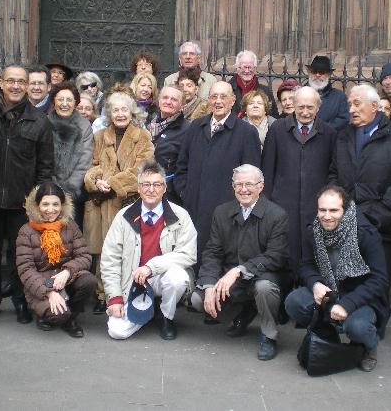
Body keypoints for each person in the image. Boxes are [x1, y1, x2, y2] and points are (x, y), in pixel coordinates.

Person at [284, 185, 390, 372]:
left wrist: (347, 304)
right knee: (293, 302)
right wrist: (315, 284)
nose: (326, 216)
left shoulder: (365, 233)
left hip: (360, 297)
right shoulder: (313, 229)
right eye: (322, 210)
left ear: (345, 209)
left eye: (334, 210)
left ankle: (369, 347)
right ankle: (327, 332)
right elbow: (306, 265)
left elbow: (380, 280)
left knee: (357, 328)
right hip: (328, 291)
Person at [191, 165, 290, 360]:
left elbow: (276, 256)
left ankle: (269, 335)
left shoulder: (277, 215)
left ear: (261, 186)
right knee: (198, 299)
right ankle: (244, 312)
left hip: (263, 276)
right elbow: (212, 252)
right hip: (233, 281)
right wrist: (209, 284)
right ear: (232, 186)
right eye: (239, 184)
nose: (243, 189)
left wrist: (240, 270)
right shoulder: (221, 212)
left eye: (249, 184)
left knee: (264, 289)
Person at [0, 64, 54, 324]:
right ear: (0, 82)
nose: (15, 86)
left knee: (19, 255)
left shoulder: (39, 120)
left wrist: (37, 201)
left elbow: (45, 167)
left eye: (20, 82)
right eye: (10, 81)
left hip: (21, 202)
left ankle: (21, 301)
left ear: (26, 86)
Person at [328, 84, 391, 284]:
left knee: (377, 284)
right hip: (347, 221)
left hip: (381, 224)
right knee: (348, 283)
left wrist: (384, 209)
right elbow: (333, 172)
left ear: (374, 106)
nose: (351, 109)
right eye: (350, 104)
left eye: (357, 104)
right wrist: (339, 207)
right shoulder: (343, 135)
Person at [101, 160, 197, 340]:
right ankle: (148, 310)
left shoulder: (180, 215)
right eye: (146, 184)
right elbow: (110, 260)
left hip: (162, 277)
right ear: (138, 188)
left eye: (157, 184)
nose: (151, 189)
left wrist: (151, 267)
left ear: (164, 188)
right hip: (133, 281)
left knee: (178, 277)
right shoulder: (124, 216)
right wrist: (114, 298)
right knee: (117, 331)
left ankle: (166, 317)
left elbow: (187, 254)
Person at [82, 92, 154, 314]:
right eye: (115, 110)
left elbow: (143, 169)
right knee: (104, 250)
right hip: (101, 203)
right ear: (109, 113)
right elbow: (91, 165)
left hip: (127, 203)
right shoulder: (100, 136)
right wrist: (96, 181)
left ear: (132, 112)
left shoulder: (142, 137)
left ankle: (128, 292)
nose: (120, 114)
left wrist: (112, 182)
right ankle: (104, 294)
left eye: (124, 109)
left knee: (128, 251)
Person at [174, 81, 261, 259]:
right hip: (194, 208)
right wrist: (186, 192)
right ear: (209, 100)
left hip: (228, 213)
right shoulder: (195, 127)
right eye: (214, 96)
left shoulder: (246, 132)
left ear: (233, 100)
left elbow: (252, 175)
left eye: (223, 97)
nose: (218, 101)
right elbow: (181, 166)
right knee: (193, 258)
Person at [262, 86, 336, 275]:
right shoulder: (278, 129)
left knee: (313, 257)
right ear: (293, 105)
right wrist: (267, 203)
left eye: (310, 107)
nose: (305, 112)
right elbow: (268, 169)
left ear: (318, 108)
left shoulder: (329, 133)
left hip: (315, 207)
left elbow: (332, 171)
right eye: (300, 106)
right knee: (283, 258)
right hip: (282, 206)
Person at [15, 182, 96, 338]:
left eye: (55, 204)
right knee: (57, 316)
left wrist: (67, 272)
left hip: (65, 278)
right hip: (41, 284)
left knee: (89, 281)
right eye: (45, 204)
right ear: (37, 205)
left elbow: (84, 256)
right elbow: (25, 270)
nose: (50, 209)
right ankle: (56, 314)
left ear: (62, 206)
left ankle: (70, 319)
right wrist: (49, 293)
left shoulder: (70, 226)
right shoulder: (26, 231)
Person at [47, 81, 93, 228]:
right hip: (47, 192)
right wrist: (51, 187)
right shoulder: (44, 123)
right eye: (60, 99)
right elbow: (42, 158)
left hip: (74, 194)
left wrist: (69, 189)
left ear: (75, 103)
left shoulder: (84, 126)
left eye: (69, 100)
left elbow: (84, 160)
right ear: (54, 101)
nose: (64, 104)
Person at [147, 86, 189, 203]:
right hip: (143, 188)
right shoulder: (146, 123)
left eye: (174, 99)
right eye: (165, 97)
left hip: (169, 193)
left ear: (182, 105)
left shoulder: (188, 130)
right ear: (159, 101)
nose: (168, 102)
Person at [229, 50, 278, 117]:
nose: (247, 71)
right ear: (238, 69)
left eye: (250, 67)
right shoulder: (228, 90)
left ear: (255, 69)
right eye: (244, 67)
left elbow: (273, 117)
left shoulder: (266, 91)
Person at [307, 55, 348, 131]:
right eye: (314, 71)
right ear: (309, 73)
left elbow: (343, 120)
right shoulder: (300, 93)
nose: (317, 75)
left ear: (329, 74)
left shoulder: (339, 97)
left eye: (321, 72)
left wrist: (322, 130)